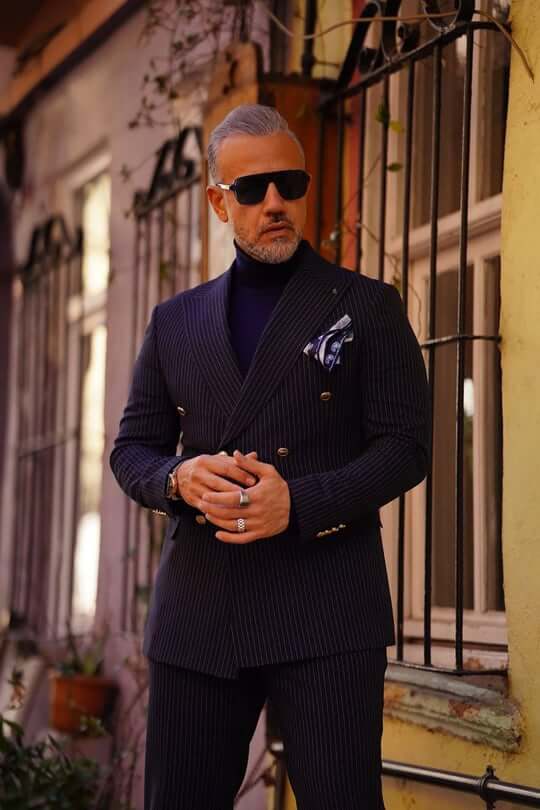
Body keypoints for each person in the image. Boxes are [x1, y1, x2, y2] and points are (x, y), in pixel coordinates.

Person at [110, 103, 431, 810]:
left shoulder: (367, 306)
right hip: (200, 611)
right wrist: (178, 478)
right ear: (218, 202)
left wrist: (301, 502)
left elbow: (407, 448)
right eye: (253, 189)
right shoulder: (175, 321)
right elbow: (131, 451)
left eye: (291, 183)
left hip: (328, 608)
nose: (275, 202)